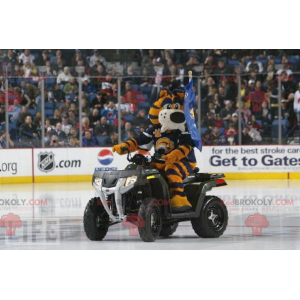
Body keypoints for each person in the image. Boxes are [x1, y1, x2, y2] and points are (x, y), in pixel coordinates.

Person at [112, 89, 197, 213]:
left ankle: (179, 198)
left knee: (171, 169)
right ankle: (130, 199)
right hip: (161, 160)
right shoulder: (155, 130)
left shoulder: (184, 130)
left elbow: (185, 148)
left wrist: (171, 157)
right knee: (140, 169)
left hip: (185, 162)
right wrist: (125, 146)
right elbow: (140, 141)